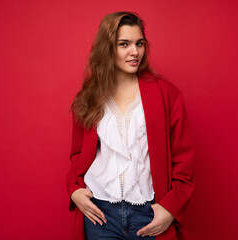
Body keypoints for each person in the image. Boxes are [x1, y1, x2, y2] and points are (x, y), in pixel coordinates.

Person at [66, 11, 195, 240]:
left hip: (149, 214)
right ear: (108, 48)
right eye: (124, 44)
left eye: (139, 43)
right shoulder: (89, 96)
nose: (134, 52)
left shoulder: (167, 95)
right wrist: (74, 190)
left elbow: (183, 161)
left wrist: (170, 209)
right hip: (99, 215)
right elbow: (77, 155)